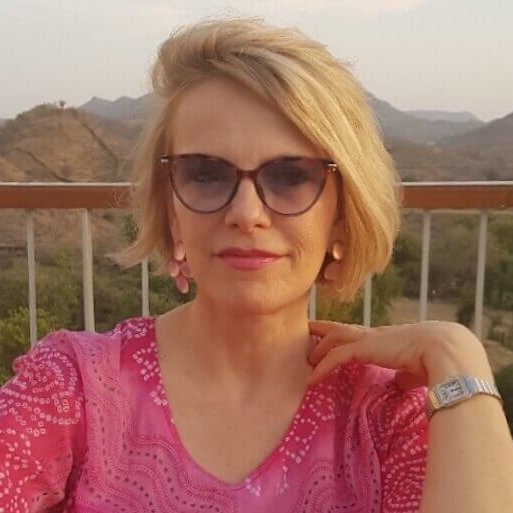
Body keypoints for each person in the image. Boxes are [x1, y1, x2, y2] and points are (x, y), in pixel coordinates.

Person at [1, 17, 512, 513]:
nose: (246, 213)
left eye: (290, 176)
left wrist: (457, 353)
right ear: (172, 211)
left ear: (341, 215)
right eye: (206, 174)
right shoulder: (73, 388)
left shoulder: (386, 416)